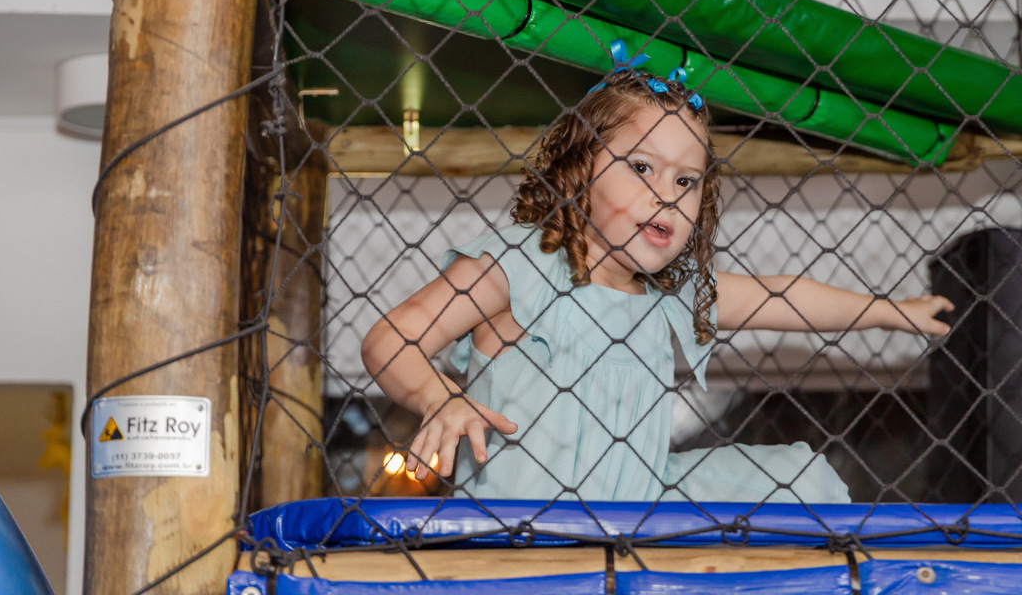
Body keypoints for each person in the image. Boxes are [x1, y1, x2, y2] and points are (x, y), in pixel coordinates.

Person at [361, 42, 953, 503]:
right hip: (524, 523)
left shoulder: (669, 292)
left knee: (802, 477)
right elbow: (390, 339)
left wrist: (893, 312)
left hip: (641, 509)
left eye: (685, 181)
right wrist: (440, 398)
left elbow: (782, 298)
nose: (666, 194)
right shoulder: (520, 267)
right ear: (578, 172)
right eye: (641, 167)